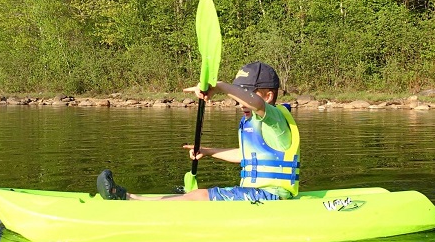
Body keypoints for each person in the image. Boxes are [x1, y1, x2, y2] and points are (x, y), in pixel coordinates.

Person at [96, 61, 300, 201]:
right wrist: (208, 151)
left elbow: (255, 103)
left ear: (268, 96)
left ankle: (128, 202)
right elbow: (246, 156)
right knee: (192, 197)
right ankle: (130, 198)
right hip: (256, 196)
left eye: (244, 94)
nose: (239, 101)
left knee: (201, 196)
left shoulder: (275, 119)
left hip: (271, 197)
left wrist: (219, 85)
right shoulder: (253, 121)